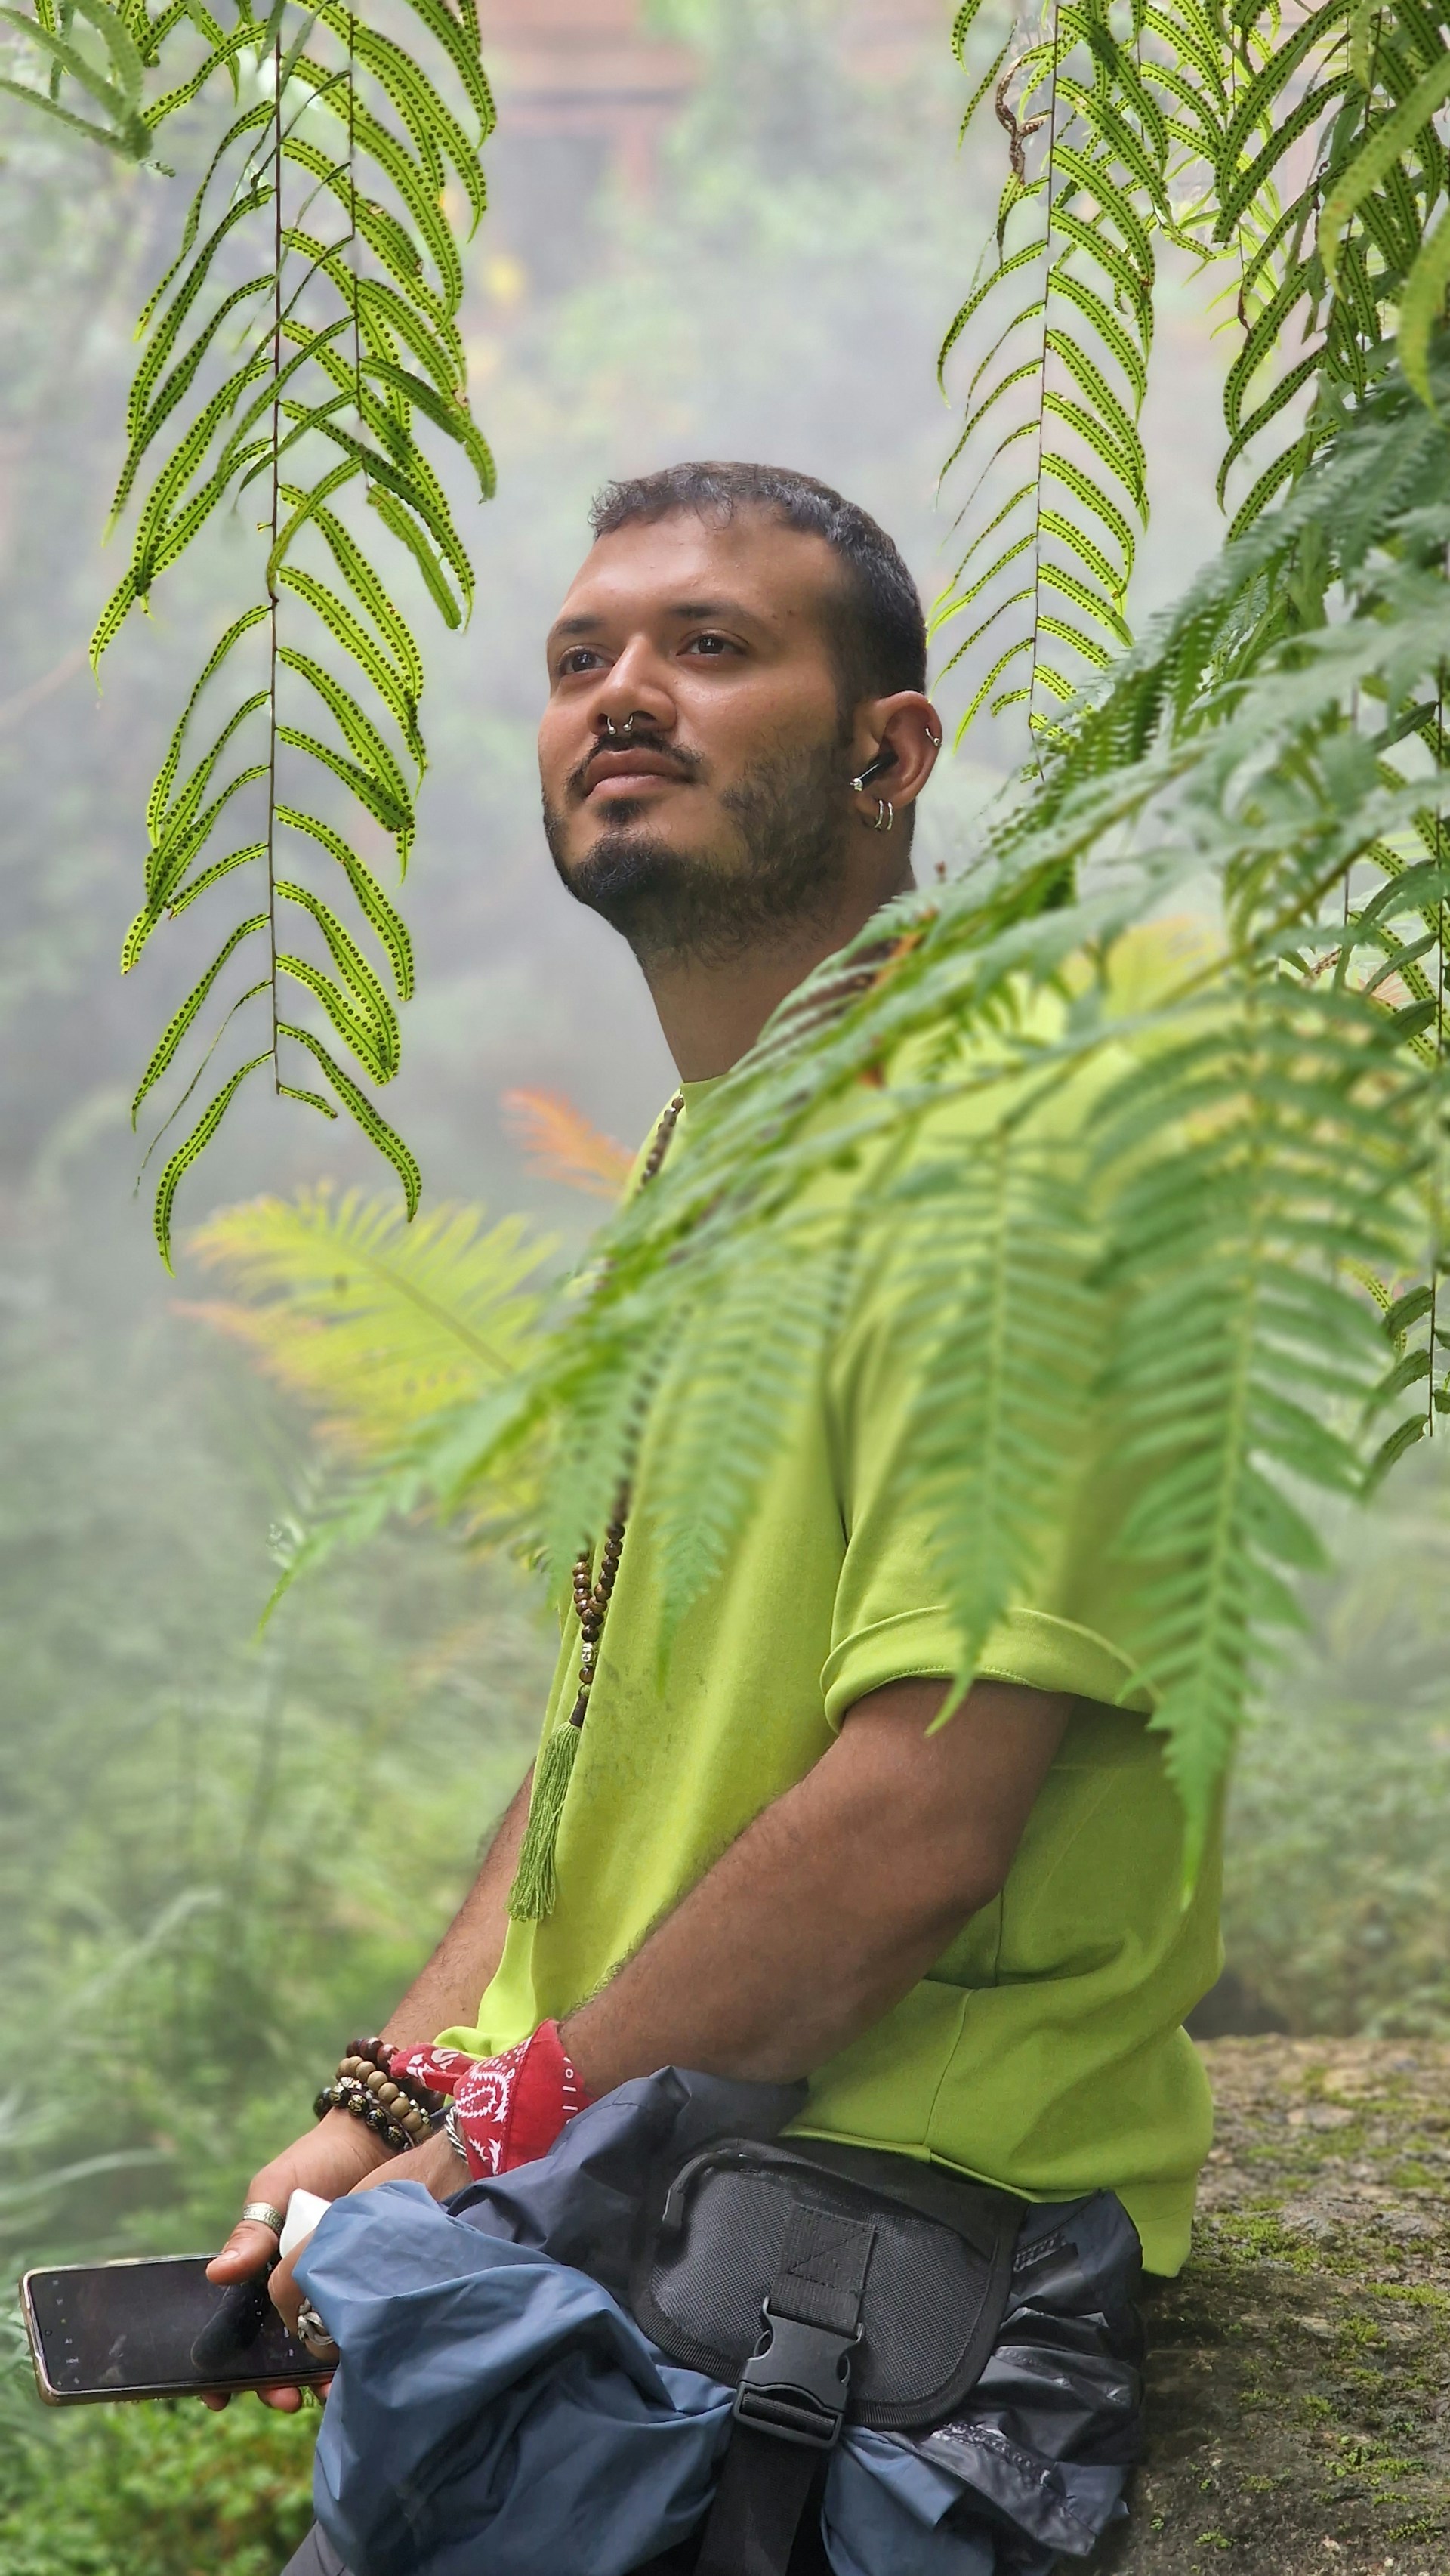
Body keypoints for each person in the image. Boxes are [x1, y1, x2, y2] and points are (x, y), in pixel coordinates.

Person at [205, 464, 1222, 2574]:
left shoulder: (1008, 1138)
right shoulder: (716, 1162)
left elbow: (910, 1825)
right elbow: (613, 1751)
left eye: (711, 645)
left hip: (858, 2286)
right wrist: (400, 2090)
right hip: (627, 2210)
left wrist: (494, 2125)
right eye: (582, 658)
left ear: (891, 749)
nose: (623, 693)